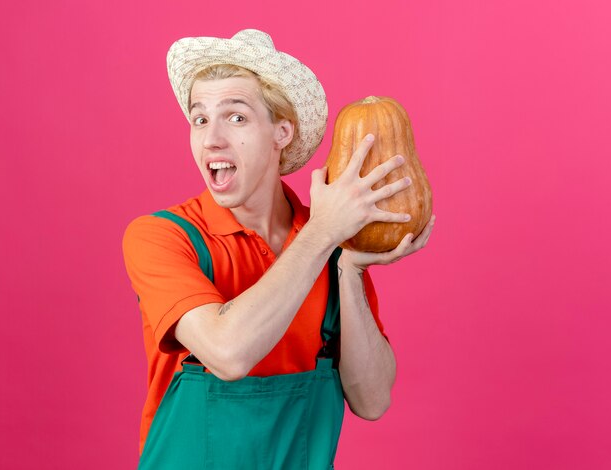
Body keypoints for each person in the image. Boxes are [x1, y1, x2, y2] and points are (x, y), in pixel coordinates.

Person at [122, 29, 435, 469]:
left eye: (235, 117)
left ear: (281, 132)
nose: (211, 138)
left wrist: (350, 268)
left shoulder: (330, 244)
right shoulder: (161, 237)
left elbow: (373, 399)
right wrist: (323, 234)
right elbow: (228, 353)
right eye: (199, 119)